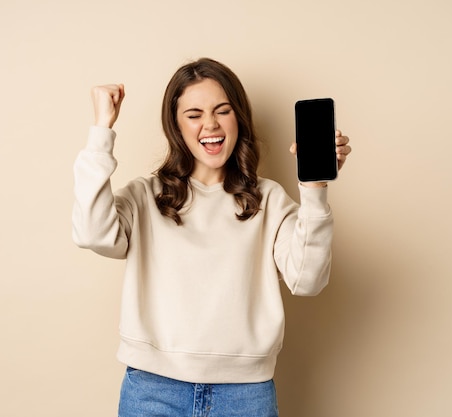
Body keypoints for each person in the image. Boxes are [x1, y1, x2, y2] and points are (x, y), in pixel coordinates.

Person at [72, 57, 351, 417]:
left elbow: (308, 280)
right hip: (153, 390)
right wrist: (101, 132)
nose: (210, 124)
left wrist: (314, 188)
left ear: (239, 118)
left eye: (223, 110)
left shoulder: (268, 200)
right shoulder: (145, 196)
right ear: (176, 124)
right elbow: (92, 233)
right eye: (193, 114)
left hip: (246, 396)